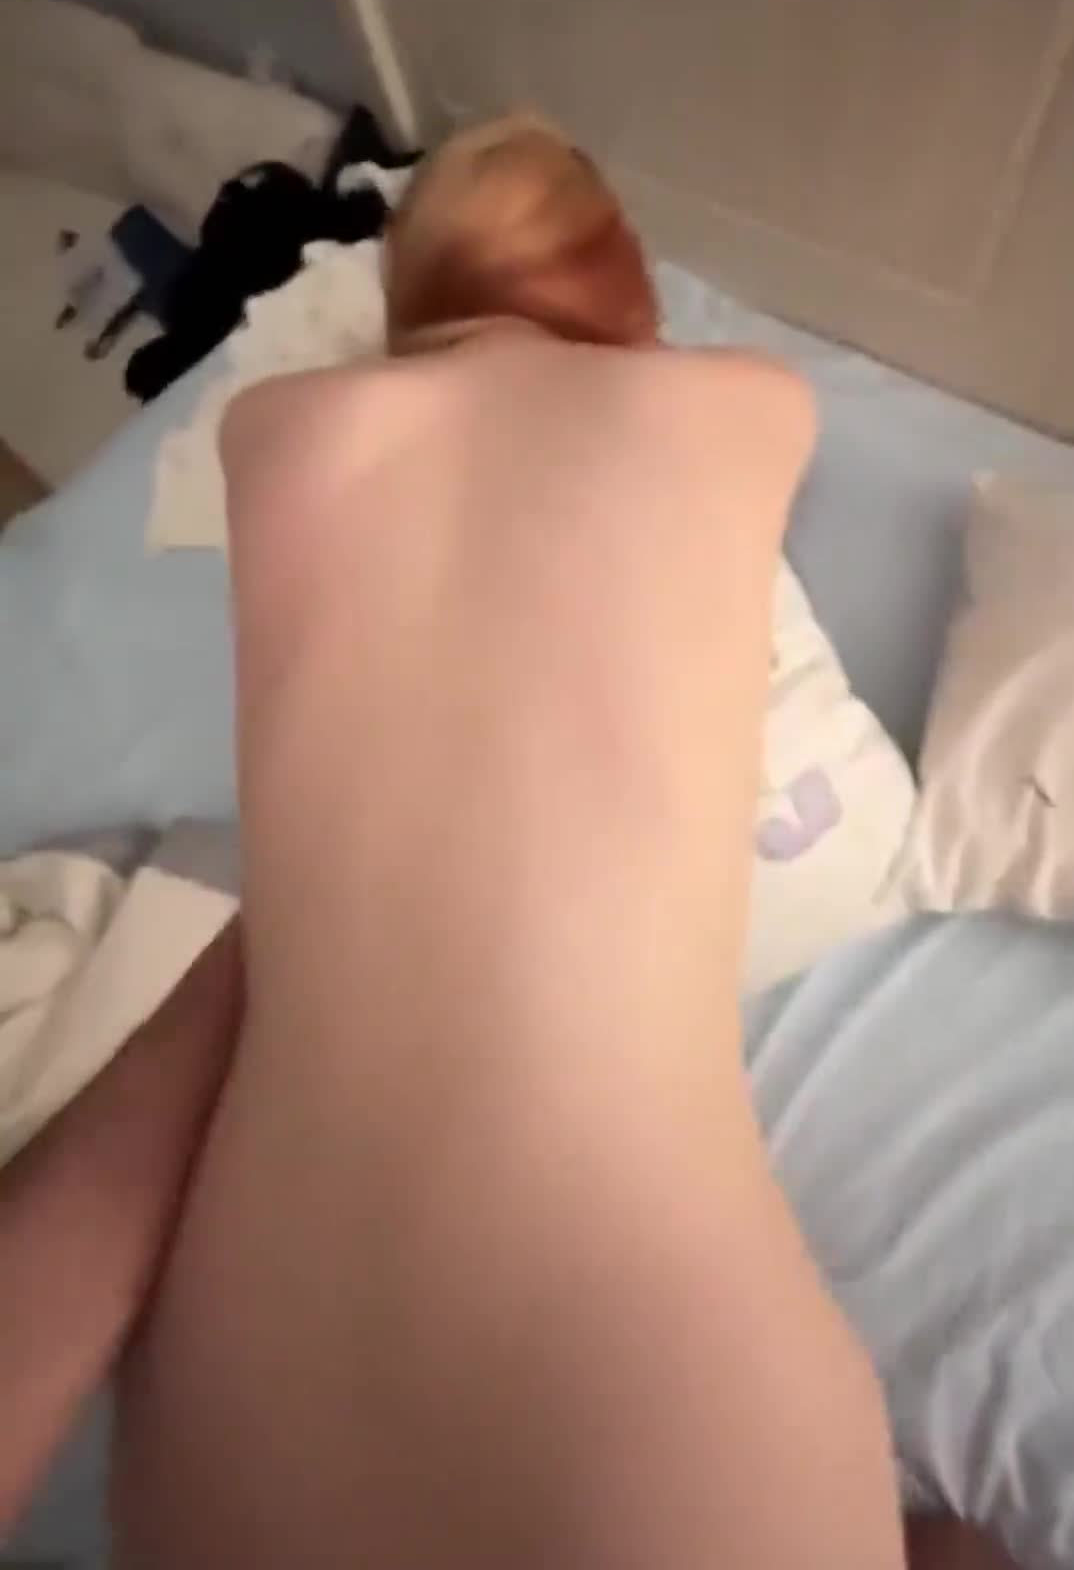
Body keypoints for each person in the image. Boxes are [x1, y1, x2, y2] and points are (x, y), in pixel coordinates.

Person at [1, 119, 1007, 1567]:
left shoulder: (270, 433)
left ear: (407, 301)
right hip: (652, 1401)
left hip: (235, 1418)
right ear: (631, 302)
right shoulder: (752, 403)